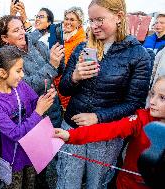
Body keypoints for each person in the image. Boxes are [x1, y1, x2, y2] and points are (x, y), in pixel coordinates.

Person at [56, 0, 152, 188]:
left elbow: (135, 103)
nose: (93, 26)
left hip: (106, 136)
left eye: (99, 19)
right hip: (72, 125)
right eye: (91, 20)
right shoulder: (81, 48)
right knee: (67, 181)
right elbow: (64, 89)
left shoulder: (138, 55)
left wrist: (98, 117)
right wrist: (75, 77)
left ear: (119, 17)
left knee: (97, 183)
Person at [54, 76, 165, 189]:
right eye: (152, 94)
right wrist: (70, 135)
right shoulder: (141, 119)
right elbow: (108, 129)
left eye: (162, 98)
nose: (152, 101)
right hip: (127, 185)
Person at [0, 15, 64, 188]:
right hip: (31, 114)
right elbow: (27, 85)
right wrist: (52, 65)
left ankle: (42, 181)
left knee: (47, 153)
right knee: (31, 159)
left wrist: (58, 59)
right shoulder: (5, 58)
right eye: (15, 30)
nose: (22, 33)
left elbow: (58, 68)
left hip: (51, 107)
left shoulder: (37, 45)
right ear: (4, 38)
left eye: (22, 28)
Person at [0, 46, 56, 188]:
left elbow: (35, 102)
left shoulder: (20, 86)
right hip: (13, 157)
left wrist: (45, 98)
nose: (22, 75)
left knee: (30, 183)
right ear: (2, 73)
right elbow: (15, 134)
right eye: (18, 71)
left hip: (31, 151)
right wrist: (38, 112)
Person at [53, 7, 86, 110]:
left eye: (72, 20)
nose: (67, 22)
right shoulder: (61, 38)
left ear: (79, 23)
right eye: (66, 19)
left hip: (71, 93)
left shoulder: (82, 42)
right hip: (57, 90)